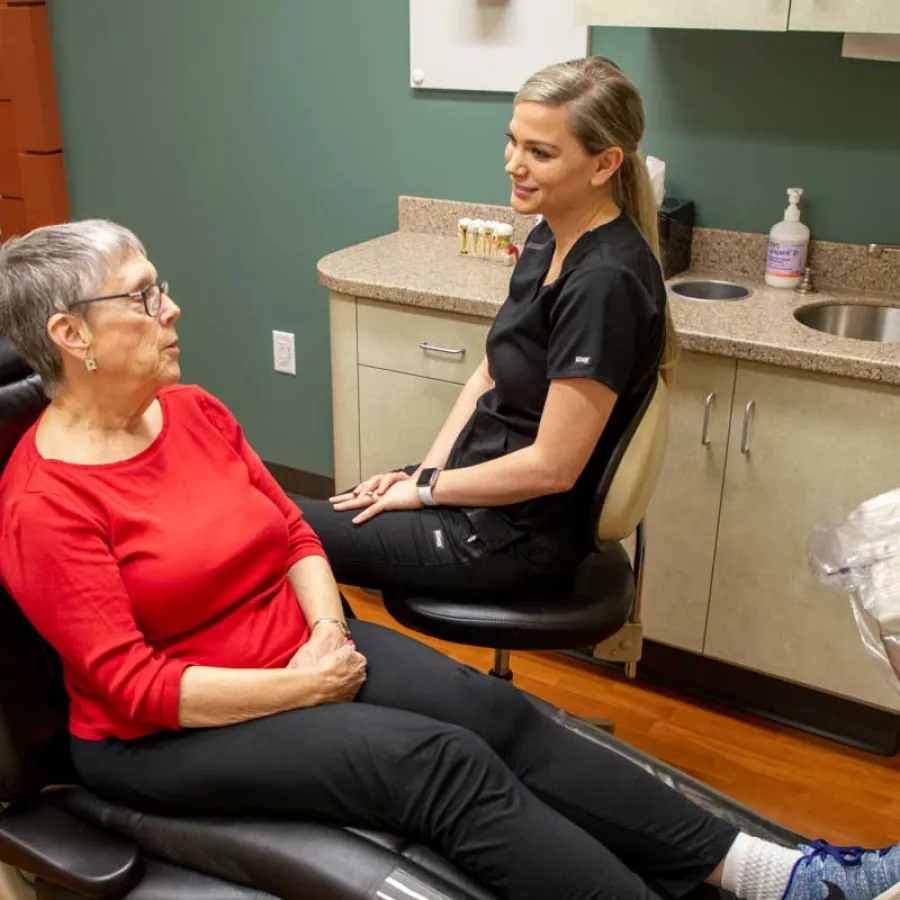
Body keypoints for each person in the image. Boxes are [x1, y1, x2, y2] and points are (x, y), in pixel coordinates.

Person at [1, 221, 899, 900]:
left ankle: (781, 878)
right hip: (162, 736)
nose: (170, 308)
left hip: (303, 648)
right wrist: (299, 688)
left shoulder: (195, 412)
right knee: (436, 765)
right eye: (143, 297)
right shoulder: (45, 502)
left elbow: (295, 536)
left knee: (497, 713)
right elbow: (133, 687)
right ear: (72, 336)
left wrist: (327, 632)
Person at [299, 56, 677, 599]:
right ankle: (335, 648)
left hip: (515, 537)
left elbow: (553, 468)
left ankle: (335, 651)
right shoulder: (549, 235)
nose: (513, 165)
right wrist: (425, 474)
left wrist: (427, 492)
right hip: (476, 490)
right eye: (513, 142)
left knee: (283, 534)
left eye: (540, 152)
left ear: (605, 164)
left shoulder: (604, 283)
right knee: (290, 526)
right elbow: (488, 375)